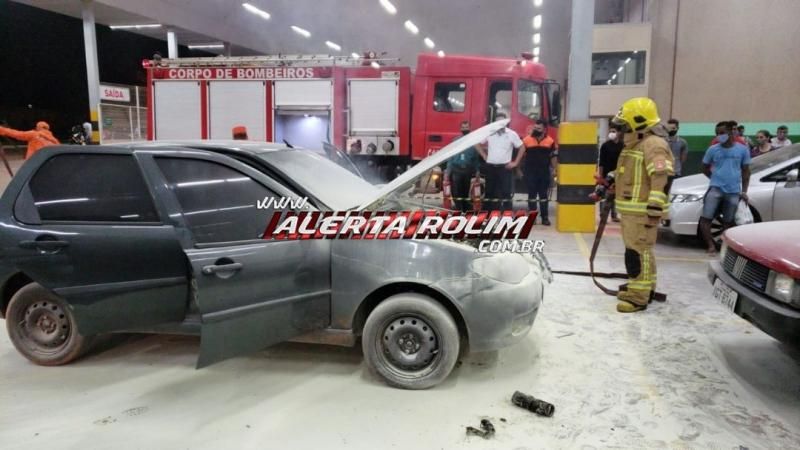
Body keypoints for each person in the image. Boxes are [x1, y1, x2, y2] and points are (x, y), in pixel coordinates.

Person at [610, 97, 674, 313]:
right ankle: (646, 287)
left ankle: (638, 297)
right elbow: (629, 172)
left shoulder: (653, 145)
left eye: (624, 125)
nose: (620, 130)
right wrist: (611, 180)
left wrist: (655, 207)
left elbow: (660, 175)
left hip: (642, 213)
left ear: (638, 123)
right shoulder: (636, 144)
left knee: (637, 253)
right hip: (631, 212)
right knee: (643, 252)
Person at [699, 121, 750, 255]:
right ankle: (710, 245)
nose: (718, 136)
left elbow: (746, 171)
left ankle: (725, 246)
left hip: (733, 191)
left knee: (728, 221)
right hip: (715, 189)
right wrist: (715, 178)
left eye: (721, 133)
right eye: (716, 133)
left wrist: (744, 191)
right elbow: (704, 167)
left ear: (730, 132)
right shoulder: (713, 149)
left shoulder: (742, 149)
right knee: (706, 217)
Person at [508, 119, 557, 225]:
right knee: (532, 196)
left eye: (538, 128)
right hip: (530, 172)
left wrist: (555, 170)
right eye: (535, 127)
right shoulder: (526, 140)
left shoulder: (550, 141)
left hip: (544, 173)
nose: (536, 129)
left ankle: (545, 217)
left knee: (544, 196)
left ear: (544, 129)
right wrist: (518, 169)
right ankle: (533, 217)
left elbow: (552, 157)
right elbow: (519, 156)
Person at [475, 113, 523, 211]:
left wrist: (515, 163)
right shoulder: (490, 133)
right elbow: (476, 143)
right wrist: (484, 155)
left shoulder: (511, 134)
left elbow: (522, 147)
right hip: (491, 168)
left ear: (506, 122)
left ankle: (507, 217)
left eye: (502, 121)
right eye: (497, 121)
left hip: (505, 169)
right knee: (489, 192)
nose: (500, 123)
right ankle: (487, 216)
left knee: (506, 193)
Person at [444, 121, 481, 212]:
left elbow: (476, 159)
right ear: (460, 129)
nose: (465, 129)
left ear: (470, 128)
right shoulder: (455, 141)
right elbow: (450, 157)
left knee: (465, 191)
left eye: (467, 127)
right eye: (463, 127)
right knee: (456, 192)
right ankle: (458, 209)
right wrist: (447, 172)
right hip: (457, 170)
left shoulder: (473, 141)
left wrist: (477, 171)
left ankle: (465, 210)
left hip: (467, 170)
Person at [597, 123, 624, 221]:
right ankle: (603, 215)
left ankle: (614, 215)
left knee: (615, 196)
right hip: (607, 174)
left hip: (619, 174)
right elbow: (601, 161)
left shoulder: (623, 146)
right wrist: (601, 176)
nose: (611, 133)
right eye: (610, 131)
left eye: (614, 131)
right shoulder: (605, 146)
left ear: (619, 133)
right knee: (604, 195)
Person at [665, 119, 689, 185]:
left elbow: (683, 159)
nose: (671, 130)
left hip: (676, 172)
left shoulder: (683, 142)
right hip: (663, 172)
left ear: (677, 128)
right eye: (669, 128)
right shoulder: (661, 141)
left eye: (673, 128)